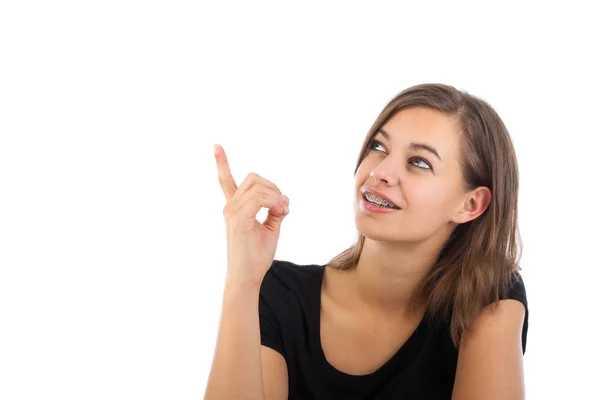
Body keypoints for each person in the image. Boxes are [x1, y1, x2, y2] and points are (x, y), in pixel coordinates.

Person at [205, 83, 529, 400]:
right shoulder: (278, 292)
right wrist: (243, 280)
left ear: (469, 204)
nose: (380, 171)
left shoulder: (491, 295)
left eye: (419, 162)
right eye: (379, 147)